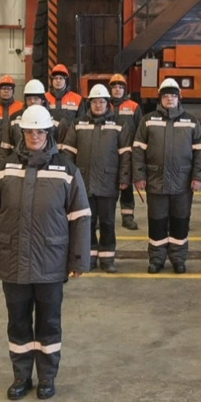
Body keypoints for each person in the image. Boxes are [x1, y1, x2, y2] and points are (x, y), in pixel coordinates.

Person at [0, 105, 91, 402]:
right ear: (22, 133)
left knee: (49, 322)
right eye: (29, 132)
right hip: (12, 260)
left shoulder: (67, 170)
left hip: (50, 262)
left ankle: (47, 377)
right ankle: (21, 377)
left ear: (49, 133)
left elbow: (80, 216)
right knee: (17, 321)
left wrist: (79, 259)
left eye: (40, 131)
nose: (35, 136)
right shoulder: (4, 169)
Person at [132, 78, 201, 274]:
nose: (170, 99)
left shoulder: (191, 122)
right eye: (166, 96)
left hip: (183, 182)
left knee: (180, 222)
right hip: (156, 181)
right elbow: (138, 150)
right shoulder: (148, 121)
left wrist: (198, 177)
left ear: (179, 97)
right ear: (160, 99)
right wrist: (139, 176)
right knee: (157, 222)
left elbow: (200, 151)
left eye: (173, 95)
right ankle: (157, 259)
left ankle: (178, 259)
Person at [60, 84, 132, 274]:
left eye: (101, 101)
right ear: (89, 103)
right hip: (83, 183)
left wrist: (124, 177)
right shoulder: (78, 124)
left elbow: (125, 154)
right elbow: (68, 152)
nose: (98, 105)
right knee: (87, 222)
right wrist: (70, 178)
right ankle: (89, 257)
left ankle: (107, 259)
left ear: (108, 103)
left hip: (109, 183)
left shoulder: (119, 124)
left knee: (107, 222)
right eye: (94, 102)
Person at [108, 73, 142, 231]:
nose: (117, 89)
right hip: (108, 153)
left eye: (120, 87)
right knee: (107, 187)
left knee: (126, 185)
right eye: (114, 87)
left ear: (125, 89)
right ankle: (105, 217)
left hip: (127, 153)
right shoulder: (103, 104)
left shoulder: (134, 107)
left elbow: (140, 131)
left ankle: (128, 217)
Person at [0, 75, 24, 147]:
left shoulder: (21, 108)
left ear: (13, 91)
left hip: (16, 149)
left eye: (9, 88)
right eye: (3, 88)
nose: (6, 91)